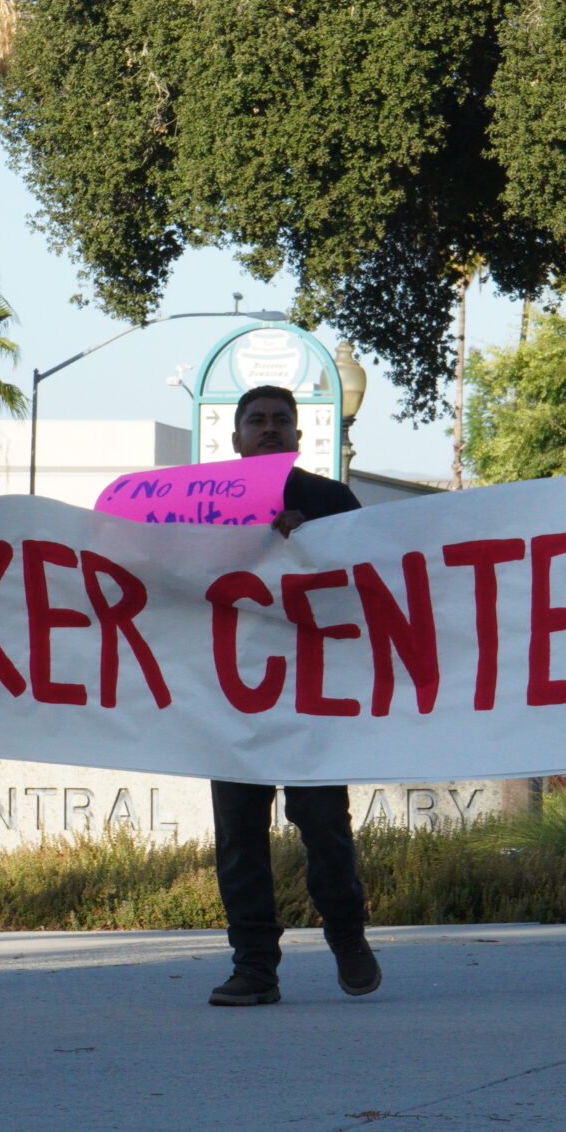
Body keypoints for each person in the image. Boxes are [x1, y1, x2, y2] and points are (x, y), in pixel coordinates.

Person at [205, 385, 380, 1007]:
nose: (270, 429)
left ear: (300, 437)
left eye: (282, 420)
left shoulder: (330, 500)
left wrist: (315, 541)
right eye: (258, 420)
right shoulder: (198, 507)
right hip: (230, 701)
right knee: (239, 836)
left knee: (324, 825)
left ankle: (347, 935)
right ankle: (254, 966)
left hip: (311, 696)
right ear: (236, 438)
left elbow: (373, 578)